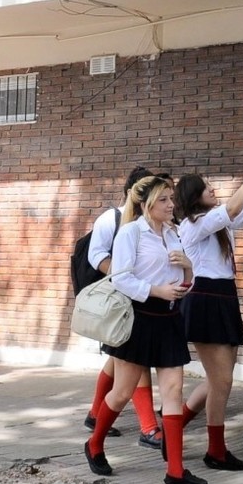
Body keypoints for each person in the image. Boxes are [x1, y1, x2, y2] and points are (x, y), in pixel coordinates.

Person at [84, 175, 208, 484]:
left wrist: (188, 267)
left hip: (170, 319)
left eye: (171, 199)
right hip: (139, 319)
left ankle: (175, 471)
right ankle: (95, 443)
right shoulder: (131, 233)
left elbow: (184, 282)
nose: (171, 204)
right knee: (122, 391)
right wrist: (156, 291)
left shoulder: (174, 232)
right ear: (146, 204)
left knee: (173, 392)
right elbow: (120, 278)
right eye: (164, 199)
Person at [174, 155, 243, 471]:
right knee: (222, 381)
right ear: (194, 196)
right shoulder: (193, 224)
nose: (213, 190)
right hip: (204, 298)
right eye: (207, 187)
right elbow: (232, 209)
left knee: (219, 379)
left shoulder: (216, 222)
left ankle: (172, 428)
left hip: (223, 297)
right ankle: (215, 451)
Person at [81, 166, 161, 448]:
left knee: (120, 362)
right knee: (135, 362)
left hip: (146, 301)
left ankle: (95, 415)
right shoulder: (111, 218)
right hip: (121, 301)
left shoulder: (154, 223)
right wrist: (124, 276)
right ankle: (148, 427)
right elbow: (96, 255)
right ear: (132, 192)